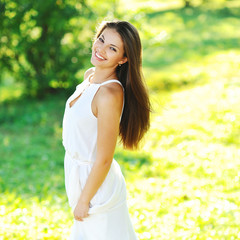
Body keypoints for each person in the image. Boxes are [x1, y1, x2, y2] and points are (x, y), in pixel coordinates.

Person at [62, 20, 150, 240]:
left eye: (112, 48)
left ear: (123, 59)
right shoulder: (90, 77)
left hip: (97, 185)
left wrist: (84, 200)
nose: (100, 49)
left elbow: (104, 158)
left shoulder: (109, 94)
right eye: (101, 39)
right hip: (77, 173)